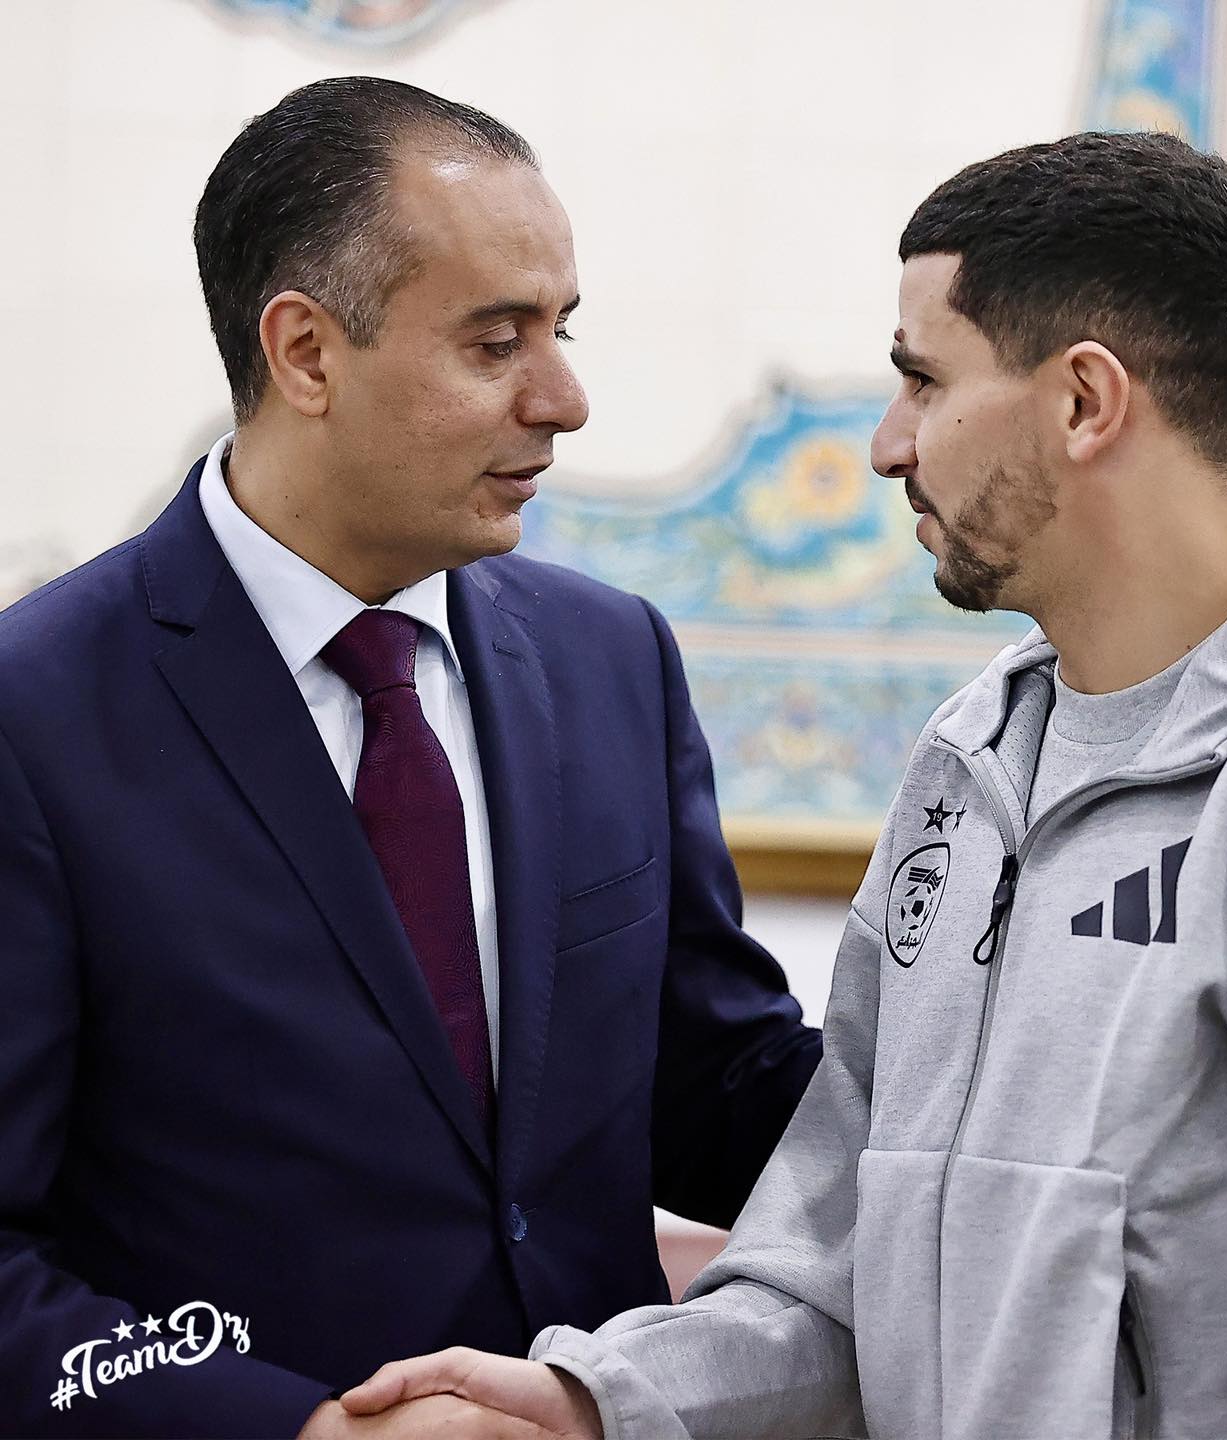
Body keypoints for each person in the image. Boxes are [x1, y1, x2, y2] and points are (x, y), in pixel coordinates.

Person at [338, 130, 1227, 1439]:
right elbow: (840, 1264)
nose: (886, 442)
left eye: (923, 380)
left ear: (1085, 402)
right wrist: (596, 1401)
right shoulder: (969, 758)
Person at [0, 76, 820, 1439]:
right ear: (305, 352)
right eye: (497, 343)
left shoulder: (611, 659)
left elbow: (712, 1094)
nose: (565, 400)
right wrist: (302, 1430)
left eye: (561, 330)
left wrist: (1039, 1100)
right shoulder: (33, 716)